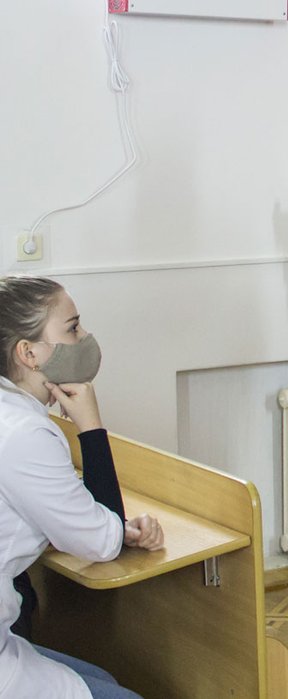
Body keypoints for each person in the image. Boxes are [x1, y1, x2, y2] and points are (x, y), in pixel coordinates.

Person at [0, 276, 165, 699]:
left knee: (102, 679)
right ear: (29, 353)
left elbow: (62, 509)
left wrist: (106, 525)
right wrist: (91, 427)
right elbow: (100, 543)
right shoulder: (26, 433)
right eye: (73, 328)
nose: (85, 337)